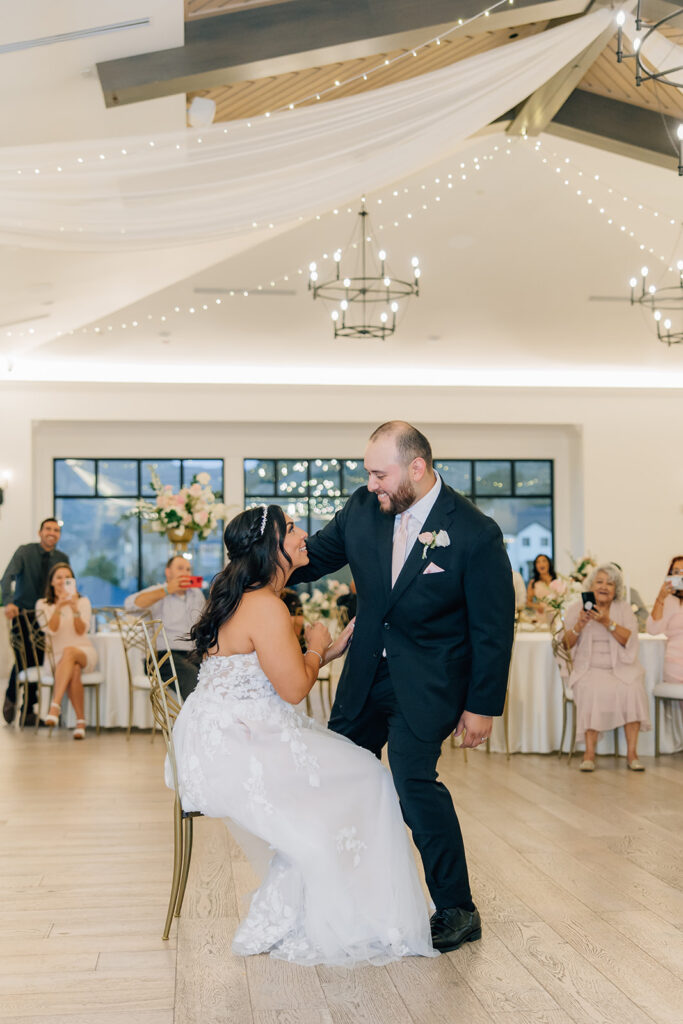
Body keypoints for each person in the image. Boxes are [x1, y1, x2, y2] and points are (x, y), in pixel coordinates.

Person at [170, 505, 437, 965]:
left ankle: (331, 905)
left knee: (354, 774)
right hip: (239, 745)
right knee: (368, 776)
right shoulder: (268, 606)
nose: (303, 535)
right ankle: (356, 914)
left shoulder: (233, 592)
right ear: (271, 548)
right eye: (291, 529)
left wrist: (324, 653)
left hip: (217, 733)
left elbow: (274, 673)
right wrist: (314, 644)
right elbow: (293, 689)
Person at [289, 421, 515, 953]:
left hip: (429, 683)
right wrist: (257, 566)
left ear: (417, 468)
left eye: (379, 474)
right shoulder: (364, 508)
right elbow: (314, 560)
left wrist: (481, 706)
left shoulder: (475, 532)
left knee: (414, 787)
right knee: (337, 779)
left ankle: (458, 908)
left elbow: (491, 627)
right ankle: (342, 896)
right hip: (365, 674)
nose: (371, 484)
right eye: (367, 474)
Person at [562, 562, 650, 772]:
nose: (604, 587)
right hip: (589, 668)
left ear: (616, 589)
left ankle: (632, 753)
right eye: (599, 582)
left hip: (620, 666)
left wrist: (607, 622)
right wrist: (579, 625)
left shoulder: (624, 608)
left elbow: (629, 638)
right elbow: (565, 644)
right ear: (591, 585)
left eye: (610, 584)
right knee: (591, 689)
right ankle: (589, 754)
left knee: (633, 688)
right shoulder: (577, 608)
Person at [1, 517, 70, 725]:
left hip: (48, 617)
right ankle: (13, 696)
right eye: (48, 529)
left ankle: (28, 711)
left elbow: (65, 584)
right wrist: (9, 602)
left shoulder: (62, 557)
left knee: (39, 660)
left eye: (56, 530)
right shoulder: (25, 552)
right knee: (24, 656)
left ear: (59, 535)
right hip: (23, 614)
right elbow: (7, 578)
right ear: (40, 532)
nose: (52, 533)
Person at [124, 555, 205, 701]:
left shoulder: (196, 594)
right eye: (180, 569)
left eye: (188, 569)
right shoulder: (158, 591)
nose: (186, 573)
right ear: (168, 572)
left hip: (192, 654)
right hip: (161, 656)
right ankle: (196, 720)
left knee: (213, 672)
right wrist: (167, 590)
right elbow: (129, 605)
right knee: (190, 674)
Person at [35, 563, 97, 740]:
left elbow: (81, 631)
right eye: (59, 578)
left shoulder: (83, 602)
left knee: (70, 652)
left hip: (83, 652)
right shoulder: (42, 604)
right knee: (73, 668)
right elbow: (51, 630)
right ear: (52, 582)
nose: (63, 581)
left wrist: (74, 608)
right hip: (55, 658)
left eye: (67, 578)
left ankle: (55, 705)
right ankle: (80, 722)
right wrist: (60, 606)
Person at [646, 555, 683, 686]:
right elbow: (653, 630)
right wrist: (661, 598)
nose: (681, 576)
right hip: (676, 663)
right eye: (677, 572)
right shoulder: (668, 600)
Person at [526, 554, 556, 621]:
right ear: (536, 566)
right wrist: (537, 606)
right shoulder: (533, 583)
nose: (541, 564)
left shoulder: (557, 580)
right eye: (538, 562)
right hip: (542, 616)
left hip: (556, 615)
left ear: (549, 563)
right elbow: (528, 602)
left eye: (543, 561)